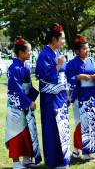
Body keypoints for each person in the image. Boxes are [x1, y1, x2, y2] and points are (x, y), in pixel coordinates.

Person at [65, 35, 95, 161]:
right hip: (80, 96)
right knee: (81, 124)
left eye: (88, 48)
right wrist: (79, 77)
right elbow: (67, 79)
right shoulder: (72, 64)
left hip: (92, 96)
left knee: (92, 123)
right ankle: (86, 154)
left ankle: (77, 151)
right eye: (84, 49)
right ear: (77, 51)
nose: (87, 51)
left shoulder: (92, 61)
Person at [35, 23, 70, 168]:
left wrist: (67, 94)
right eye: (62, 39)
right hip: (50, 98)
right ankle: (53, 161)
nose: (64, 41)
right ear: (54, 39)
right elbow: (43, 76)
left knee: (62, 126)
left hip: (60, 96)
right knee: (51, 128)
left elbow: (64, 75)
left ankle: (63, 159)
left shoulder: (56, 54)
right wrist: (57, 65)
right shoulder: (44, 55)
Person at [5, 37, 41, 169]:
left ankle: (26, 159)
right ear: (20, 53)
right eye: (29, 51)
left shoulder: (24, 66)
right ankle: (15, 162)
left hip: (25, 102)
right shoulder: (14, 67)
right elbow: (15, 89)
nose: (31, 53)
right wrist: (28, 102)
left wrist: (31, 99)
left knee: (27, 131)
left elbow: (28, 86)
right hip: (16, 105)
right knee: (15, 132)